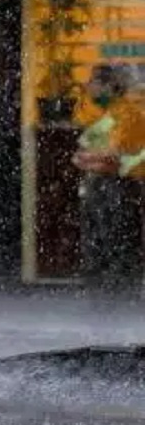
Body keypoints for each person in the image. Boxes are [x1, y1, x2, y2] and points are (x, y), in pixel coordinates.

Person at [72, 64, 145, 291]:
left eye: (94, 82)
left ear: (109, 87)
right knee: (98, 234)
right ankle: (103, 281)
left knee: (114, 235)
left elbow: (113, 156)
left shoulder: (125, 113)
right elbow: (84, 149)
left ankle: (116, 283)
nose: (89, 87)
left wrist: (89, 159)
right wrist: (90, 158)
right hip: (104, 181)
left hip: (121, 182)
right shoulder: (106, 112)